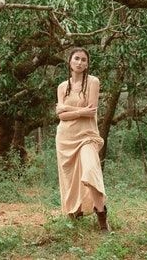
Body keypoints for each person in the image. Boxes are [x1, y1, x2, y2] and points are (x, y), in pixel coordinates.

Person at [55, 47, 110, 232]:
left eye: (83, 60)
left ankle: (102, 218)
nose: (80, 62)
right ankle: (74, 213)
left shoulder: (93, 82)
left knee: (90, 170)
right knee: (70, 178)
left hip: (87, 136)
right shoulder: (63, 87)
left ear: (87, 64)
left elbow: (92, 111)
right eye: (76, 59)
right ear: (70, 62)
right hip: (65, 138)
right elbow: (61, 117)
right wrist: (80, 111)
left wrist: (67, 109)